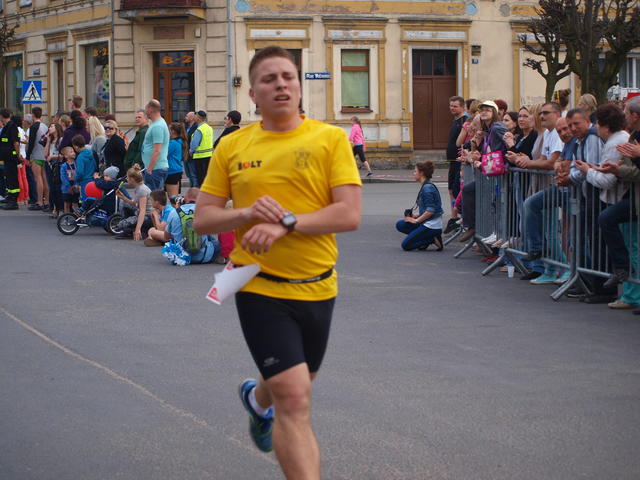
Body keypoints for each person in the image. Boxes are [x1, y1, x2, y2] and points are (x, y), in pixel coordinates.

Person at [193, 45, 361, 479]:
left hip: (318, 284)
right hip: (258, 283)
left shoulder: (330, 139)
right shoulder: (233, 145)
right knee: (295, 397)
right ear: (253, 94)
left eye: (288, 77)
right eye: (269, 79)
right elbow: (204, 218)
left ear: (299, 87)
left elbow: (348, 214)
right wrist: (246, 214)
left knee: (295, 382)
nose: (281, 85)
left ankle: (256, 400)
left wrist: (287, 223)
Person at [459, 100, 508, 242]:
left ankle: (494, 233)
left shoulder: (497, 127)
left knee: (498, 205)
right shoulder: (488, 130)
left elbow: (509, 142)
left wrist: (507, 157)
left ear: (494, 113)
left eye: (488, 110)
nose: (484, 112)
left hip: (501, 171)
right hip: (494, 171)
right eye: (482, 110)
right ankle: (480, 229)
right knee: (491, 203)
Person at [162, 188, 220, 264]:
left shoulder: (174, 213)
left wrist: (178, 209)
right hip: (203, 257)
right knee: (216, 242)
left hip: (180, 257)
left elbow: (166, 237)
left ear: (184, 199)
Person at [395, 161, 444, 251]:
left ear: (421, 173)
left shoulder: (427, 188)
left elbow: (430, 211)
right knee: (400, 224)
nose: (413, 173)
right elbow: (429, 209)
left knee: (406, 245)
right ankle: (427, 238)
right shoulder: (426, 185)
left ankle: (432, 239)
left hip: (431, 225)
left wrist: (416, 220)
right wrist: (416, 215)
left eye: (415, 171)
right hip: (427, 222)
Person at [446, 95, 468, 230]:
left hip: (460, 161)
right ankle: (453, 217)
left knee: (456, 190)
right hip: (452, 160)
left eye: (455, 106)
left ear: (463, 107)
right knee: (451, 189)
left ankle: (459, 218)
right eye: (451, 106)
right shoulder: (455, 121)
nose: (452, 108)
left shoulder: (465, 121)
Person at [115, 165, 153, 240]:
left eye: (127, 177)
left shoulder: (142, 190)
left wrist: (137, 229)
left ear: (132, 179)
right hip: (142, 214)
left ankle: (139, 230)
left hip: (148, 217)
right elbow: (135, 203)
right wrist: (123, 198)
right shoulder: (138, 187)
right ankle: (133, 229)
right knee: (125, 205)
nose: (126, 179)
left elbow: (142, 211)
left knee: (122, 224)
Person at [141, 99, 170, 190]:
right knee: (155, 196)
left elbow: (157, 150)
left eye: (146, 109)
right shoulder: (156, 124)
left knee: (154, 196)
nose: (145, 112)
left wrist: (149, 169)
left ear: (150, 109)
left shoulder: (158, 126)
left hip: (155, 169)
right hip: (154, 168)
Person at [25, 108, 50, 211]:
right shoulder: (45, 126)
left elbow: (31, 142)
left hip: (36, 155)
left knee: (38, 178)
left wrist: (28, 156)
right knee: (45, 178)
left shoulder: (33, 127)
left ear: (33, 115)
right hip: (44, 154)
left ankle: (39, 201)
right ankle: (47, 201)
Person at [0, 109, 23, 210]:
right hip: (6, 157)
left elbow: (16, 142)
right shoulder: (6, 126)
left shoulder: (12, 126)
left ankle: (14, 201)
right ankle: (9, 197)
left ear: (1, 116)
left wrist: (18, 155)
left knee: (12, 178)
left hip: (11, 157)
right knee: (8, 178)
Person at [44, 122, 65, 218]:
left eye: (52, 126)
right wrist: (48, 141)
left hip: (58, 165)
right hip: (50, 165)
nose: (49, 128)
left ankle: (61, 209)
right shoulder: (52, 140)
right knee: (52, 188)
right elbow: (45, 154)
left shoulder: (61, 140)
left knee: (58, 188)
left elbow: (63, 155)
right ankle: (55, 208)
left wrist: (52, 156)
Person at [189, 110, 213, 186]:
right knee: (206, 176)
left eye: (195, 116)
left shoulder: (199, 129)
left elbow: (195, 143)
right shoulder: (209, 128)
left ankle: (202, 191)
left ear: (199, 118)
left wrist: (191, 150)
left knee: (200, 177)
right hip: (209, 155)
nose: (194, 117)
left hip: (200, 156)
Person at [71, 134, 96, 204]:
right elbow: (95, 165)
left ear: (76, 146)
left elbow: (80, 172)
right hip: (92, 180)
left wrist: (76, 180)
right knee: (92, 200)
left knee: (84, 201)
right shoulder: (90, 153)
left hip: (84, 182)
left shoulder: (80, 157)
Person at [165, 122, 187, 197]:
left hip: (172, 170)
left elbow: (164, 154)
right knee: (175, 198)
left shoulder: (173, 143)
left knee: (173, 198)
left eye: (169, 130)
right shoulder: (179, 141)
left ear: (173, 131)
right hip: (176, 170)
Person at [59, 146, 79, 213]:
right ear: (66, 156)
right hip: (66, 189)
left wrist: (76, 185)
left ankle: (76, 216)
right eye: (71, 152)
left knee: (75, 203)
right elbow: (63, 177)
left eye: (73, 151)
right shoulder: (64, 166)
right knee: (66, 204)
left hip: (76, 187)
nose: (73, 153)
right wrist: (68, 187)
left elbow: (79, 175)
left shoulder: (77, 164)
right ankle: (66, 217)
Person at [184, 111, 199, 187]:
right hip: (186, 154)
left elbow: (194, 141)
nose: (185, 117)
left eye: (187, 116)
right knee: (189, 175)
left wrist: (191, 150)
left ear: (192, 118)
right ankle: (191, 189)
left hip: (192, 154)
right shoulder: (187, 127)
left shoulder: (196, 128)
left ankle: (195, 190)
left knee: (193, 175)